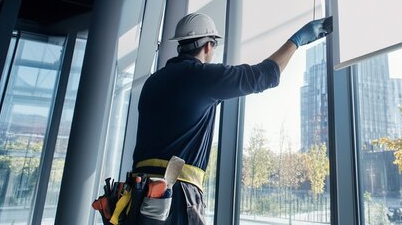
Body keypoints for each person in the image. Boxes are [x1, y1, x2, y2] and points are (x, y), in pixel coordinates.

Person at [130, 12, 332, 224]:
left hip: (139, 191)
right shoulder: (202, 77)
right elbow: (263, 75)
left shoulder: (153, 82)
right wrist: (297, 40)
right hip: (174, 197)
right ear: (208, 46)